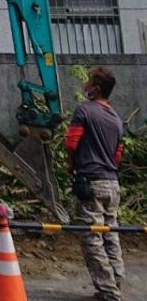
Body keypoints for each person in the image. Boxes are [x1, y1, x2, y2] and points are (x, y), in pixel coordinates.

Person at [65, 65, 125, 301]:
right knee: (112, 234)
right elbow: (117, 155)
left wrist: (72, 166)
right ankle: (116, 281)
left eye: (89, 82)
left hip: (91, 182)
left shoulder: (84, 110)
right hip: (113, 184)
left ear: (95, 89)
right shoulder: (117, 119)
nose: (85, 85)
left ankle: (108, 292)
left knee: (92, 238)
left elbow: (71, 143)